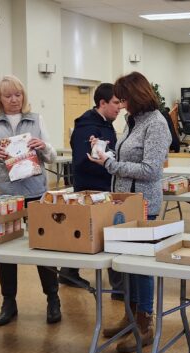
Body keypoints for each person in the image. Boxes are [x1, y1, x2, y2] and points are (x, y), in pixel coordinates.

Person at [88, 71, 171, 353]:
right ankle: (130, 315)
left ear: (136, 96)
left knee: (142, 267)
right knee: (128, 265)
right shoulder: (134, 122)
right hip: (126, 203)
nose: (121, 105)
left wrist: (110, 165)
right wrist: (107, 155)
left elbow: (151, 170)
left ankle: (145, 322)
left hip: (144, 205)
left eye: (123, 99)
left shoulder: (157, 124)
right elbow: (128, 158)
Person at [0, 75, 61, 327]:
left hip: (35, 192)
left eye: (18, 94)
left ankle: (53, 298)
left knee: (43, 246)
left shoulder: (36, 119)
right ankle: (8, 301)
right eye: (8, 95)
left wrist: (44, 146)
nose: (14, 100)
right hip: (3, 196)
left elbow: (52, 157)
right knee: (5, 251)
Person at [59, 83, 122, 292]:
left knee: (95, 233)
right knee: (101, 234)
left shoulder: (105, 122)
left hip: (104, 187)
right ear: (102, 103)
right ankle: (119, 287)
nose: (119, 107)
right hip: (91, 189)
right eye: (115, 102)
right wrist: (111, 166)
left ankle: (70, 272)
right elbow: (81, 161)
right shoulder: (87, 126)